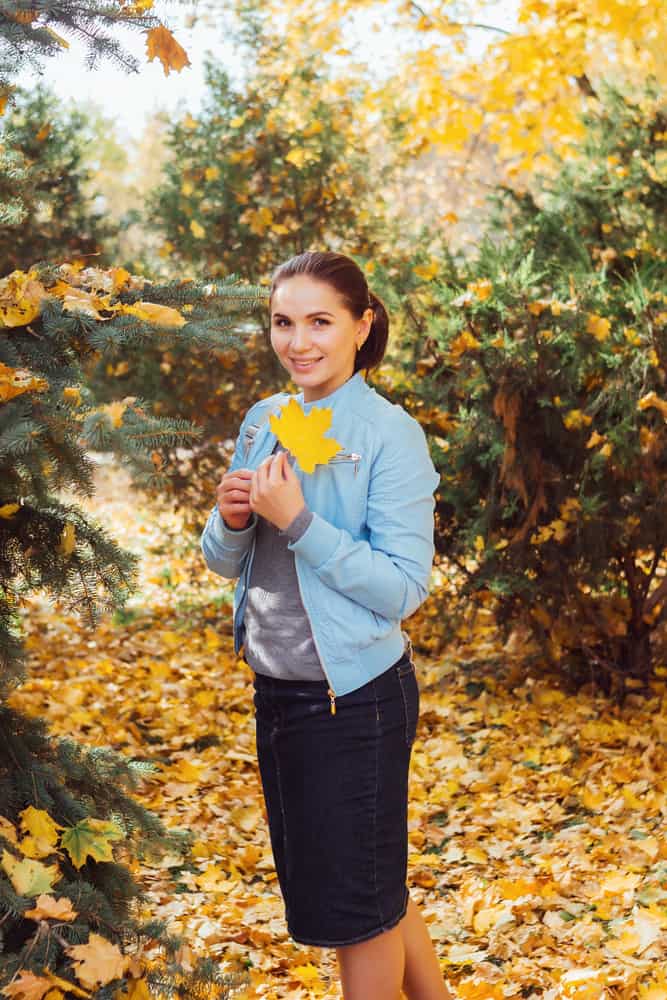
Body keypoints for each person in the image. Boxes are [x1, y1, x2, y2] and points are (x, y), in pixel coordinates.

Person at [200, 251, 454, 1000]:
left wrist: (301, 522)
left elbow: (403, 589)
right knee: (368, 881)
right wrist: (231, 517)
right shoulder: (264, 420)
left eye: (319, 322)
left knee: (354, 911)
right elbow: (223, 562)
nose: (298, 342)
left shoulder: (388, 434)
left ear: (360, 325)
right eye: (283, 322)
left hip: (355, 701)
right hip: (279, 690)